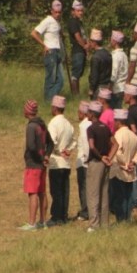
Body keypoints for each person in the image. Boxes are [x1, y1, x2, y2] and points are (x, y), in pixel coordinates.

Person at [20, 100, 53, 230]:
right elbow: (51, 143)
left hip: (33, 164)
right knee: (42, 192)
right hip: (42, 165)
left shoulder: (31, 127)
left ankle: (32, 223)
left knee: (32, 193)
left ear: (28, 111)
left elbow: (31, 146)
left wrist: (40, 158)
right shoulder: (42, 124)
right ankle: (43, 221)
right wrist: (46, 156)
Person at [46, 95, 75, 226]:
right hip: (66, 162)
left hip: (56, 162)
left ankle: (56, 216)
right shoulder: (68, 124)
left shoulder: (54, 123)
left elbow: (51, 141)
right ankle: (63, 215)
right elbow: (74, 141)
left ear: (55, 108)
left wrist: (56, 151)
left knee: (56, 190)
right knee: (65, 190)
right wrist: (68, 150)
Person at [85, 100, 114, 232]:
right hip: (105, 163)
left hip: (96, 162)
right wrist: (109, 157)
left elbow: (92, 146)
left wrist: (101, 157)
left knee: (93, 194)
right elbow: (115, 144)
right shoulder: (105, 127)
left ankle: (94, 224)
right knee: (104, 193)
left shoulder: (91, 129)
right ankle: (105, 224)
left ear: (92, 114)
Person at [107, 109, 137, 222]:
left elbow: (117, 152)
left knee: (119, 197)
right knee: (128, 196)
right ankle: (127, 219)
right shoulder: (133, 135)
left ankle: (121, 220)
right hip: (130, 170)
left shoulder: (118, 134)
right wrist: (132, 163)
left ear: (118, 122)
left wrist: (124, 164)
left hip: (119, 170)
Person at [31, 0, 65, 101]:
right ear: (52, 11)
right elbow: (34, 33)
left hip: (58, 52)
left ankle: (51, 97)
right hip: (50, 51)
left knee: (61, 80)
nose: (58, 14)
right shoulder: (48, 21)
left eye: (59, 12)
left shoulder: (57, 23)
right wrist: (44, 45)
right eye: (56, 12)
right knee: (50, 78)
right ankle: (48, 99)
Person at [74, 101, 91, 221]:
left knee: (84, 187)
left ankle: (85, 211)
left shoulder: (84, 126)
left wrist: (86, 159)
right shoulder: (88, 124)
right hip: (86, 160)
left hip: (84, 161)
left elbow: (86, 144)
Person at [68, 0, 87, 96]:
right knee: (75, 74)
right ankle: (75, 94)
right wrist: (85, 46)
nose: (80, 12)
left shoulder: (79, 22)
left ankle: (77, 94)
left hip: (81, 51)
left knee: (79, 73)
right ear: (73, 11)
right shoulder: (73, 22)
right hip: (77, 51)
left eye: (81, 10)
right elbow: (77, 37)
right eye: (78, 10)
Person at [88, 29, 112, 100]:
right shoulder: (108, 54)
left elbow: (94, 75)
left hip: (98, 87)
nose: (90, 43)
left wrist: (91, 89)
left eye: (91, 41)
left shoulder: (95, 57)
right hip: (107, 86)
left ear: (95, 42)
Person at [109, 31, 129, 108]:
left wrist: (110, 87)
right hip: (123, 87)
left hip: (116, 88)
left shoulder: (115, 56)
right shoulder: (124, 55)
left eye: (111, 39)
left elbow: (114, 73)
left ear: (115, 41)